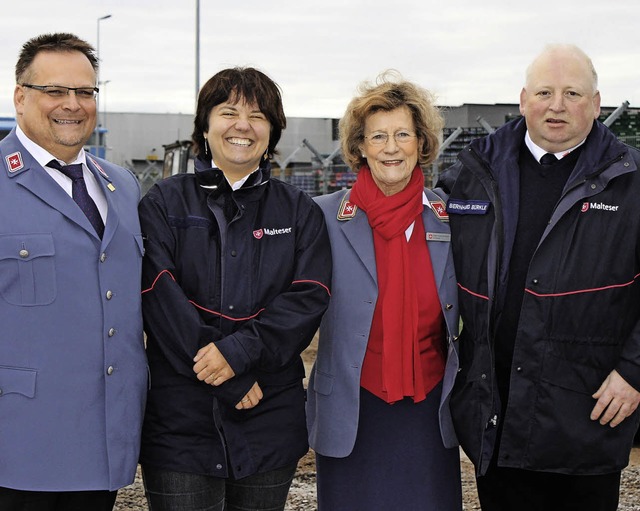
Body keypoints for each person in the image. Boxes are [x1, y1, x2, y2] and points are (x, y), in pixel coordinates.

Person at [438, 43, 640, 511]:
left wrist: (634, 371)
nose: (557, 105)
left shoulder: (629, 181)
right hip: (496, 408)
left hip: (588, 412)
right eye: (546, 92)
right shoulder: (473, 175)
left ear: (596, 104)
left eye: (573, 93)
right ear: (524, 98)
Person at [138, 66, 332, 511]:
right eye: (228, 112)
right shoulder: (164, 203)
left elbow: (309, 295)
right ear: (205, 127)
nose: (243, 125)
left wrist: (240, 355)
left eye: (258, 115)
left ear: (272, 132)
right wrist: (224, 372)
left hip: (268, 417)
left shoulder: (299, 211)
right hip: (180, 424)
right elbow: (157, 292)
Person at [0, 33, 147, 510]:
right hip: (17, 447)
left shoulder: (120, 184)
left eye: (85, 92)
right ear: (20, 97)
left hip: (102, 444)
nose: (73, 104)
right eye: (55, 91)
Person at [306, 72, 463, 510]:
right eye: (378, 136)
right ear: (359, 146)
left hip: (429, 412)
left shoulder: (450, 218)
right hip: (354, 410)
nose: (391, 147)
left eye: (402, 134)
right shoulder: (321, 218)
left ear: (421, 142)